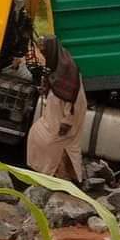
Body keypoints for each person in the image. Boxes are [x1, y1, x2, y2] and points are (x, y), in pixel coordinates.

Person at [27, 36, 87, 182]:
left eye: (45, 52)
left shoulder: (68, 70)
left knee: (48, 141)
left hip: (66, 117)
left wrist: (67, 121)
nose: (44, 56)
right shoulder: (58, 66)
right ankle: (51, 174)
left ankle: (54, 176)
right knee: (37, 134)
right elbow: (54, 86)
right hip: (55, 116)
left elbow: (71, 100)